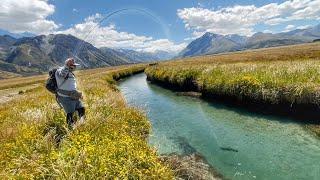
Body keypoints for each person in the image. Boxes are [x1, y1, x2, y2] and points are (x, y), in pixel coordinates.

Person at [55, 58, 85, 129]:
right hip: (65, 97)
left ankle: (82, 124)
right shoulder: (60, 71)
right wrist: (66, 65)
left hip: (74, 96)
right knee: (70, 113)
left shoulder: (70, 73)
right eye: (73, 65)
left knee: (81, 109)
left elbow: (70, 85)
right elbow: (62, 74)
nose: (75, 67)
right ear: (69, 65)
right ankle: (70, 129)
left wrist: (78, 94)